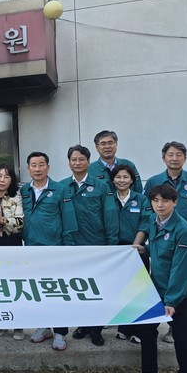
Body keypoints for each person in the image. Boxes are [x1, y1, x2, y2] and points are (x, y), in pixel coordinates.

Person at [127, 184, 187, 373]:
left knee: (182, 336)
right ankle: (150, 372)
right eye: (156, 200)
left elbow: (181, 269)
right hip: (157, 288)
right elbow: (160, 249)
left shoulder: (183, 230)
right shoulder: (153, 221)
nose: (160, 205)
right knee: (146, 329)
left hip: (182, 294)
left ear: (175, 202)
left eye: (165, 201)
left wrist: (171, 301)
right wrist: (145, 249)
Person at [143, 141, 187, 348]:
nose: (174, 158)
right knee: (164, 281)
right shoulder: (154, 181)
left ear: (185, 157)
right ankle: (173, 325)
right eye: (170, 154)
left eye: (179, 155)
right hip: (164, 241)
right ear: (163, 158)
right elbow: (148, 211)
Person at [62, 145, 119, 347]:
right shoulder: (62, 186)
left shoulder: (101, 186)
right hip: (73, 247)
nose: (77, 163)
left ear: (88, 161)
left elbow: (110, 215)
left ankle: (96, 328)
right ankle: (83, 325)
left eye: (81, 159)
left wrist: (111, 244)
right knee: (79, 288)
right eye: (74, 159)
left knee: (98, 290)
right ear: (69, 162)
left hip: (97, 245)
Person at [21, 151, 76, 351]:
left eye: (41, 164)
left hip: (55, 249)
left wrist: (68, 248)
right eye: (33, 165)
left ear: (48, 167)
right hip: (31, 249)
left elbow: (69, 219)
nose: (37, 169)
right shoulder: (24, 190)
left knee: (57, 292)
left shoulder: (60, 190)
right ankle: (43, 326)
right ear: (28, 168)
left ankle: (60, 332)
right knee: (38, 291)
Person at [110, 164, 153, 344]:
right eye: (118, 177)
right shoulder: (109, 199)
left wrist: (136, 244)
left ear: (132, 180)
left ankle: (140, 330)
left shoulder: (141, 200)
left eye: (125, 177)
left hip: (136, 249)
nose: (122, 180)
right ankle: (125, 327)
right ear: (113, 180)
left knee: (139, 291)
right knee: (122, 290)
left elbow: (146, 222)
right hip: (115, 251)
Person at [0, 163, 25, 340]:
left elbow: (19, 225)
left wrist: (2, 219)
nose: (2, 180)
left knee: (14, 284)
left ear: (12, 180)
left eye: (7, 176)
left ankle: (18, 325)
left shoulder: (16, 197)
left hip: (11, 244)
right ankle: (1, 321)